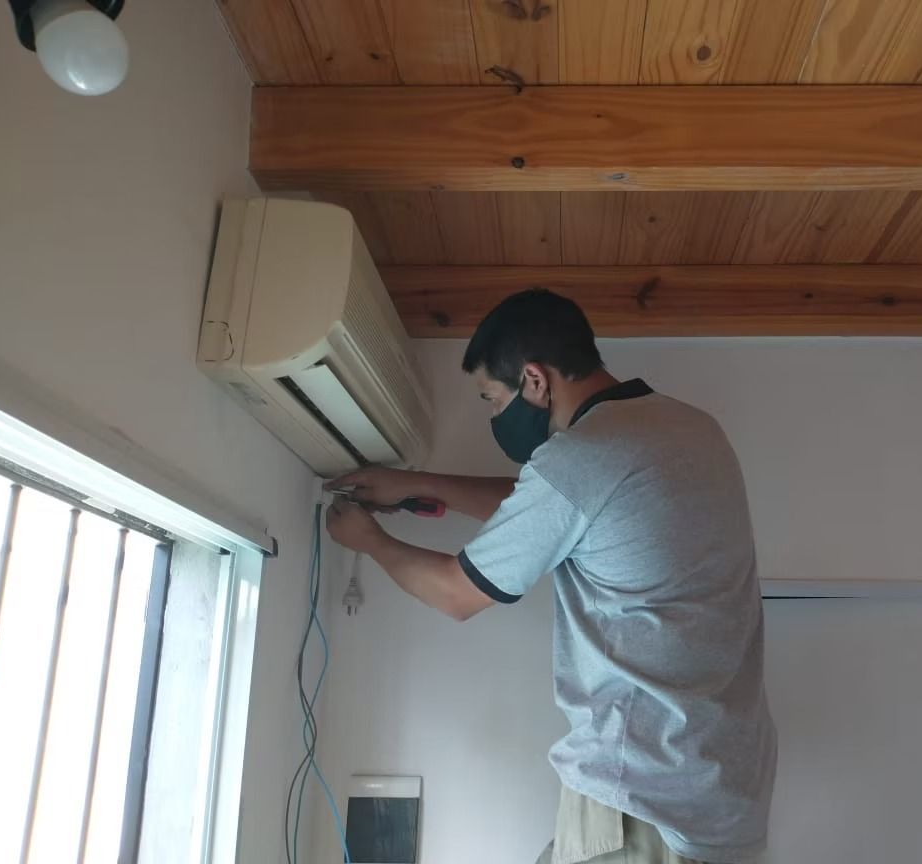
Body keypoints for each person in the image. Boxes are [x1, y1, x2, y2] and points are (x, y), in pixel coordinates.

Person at [325, 290, 777, 864]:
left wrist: (369, 540)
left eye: (493, 398)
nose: (495, 416)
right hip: (723, 790)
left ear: (535, 380)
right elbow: (560, 512)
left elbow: (456, 593)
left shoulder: (583, 457)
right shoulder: (690, 428)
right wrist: (421, 484)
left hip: (640, 797)